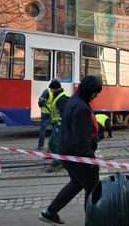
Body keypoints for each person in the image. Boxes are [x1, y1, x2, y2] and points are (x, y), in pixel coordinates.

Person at [39, 76, 102, 225]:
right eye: (95, 92)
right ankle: (92, 221)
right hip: (77, 155)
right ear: (89, 91)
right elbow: (81, 140)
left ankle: (50, 212)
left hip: (65, 152)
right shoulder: (82, 108)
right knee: (92, 186)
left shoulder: (73, 100)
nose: (96, 96)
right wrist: (91, 160)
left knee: (77, 183)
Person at [46, 80, 69, 173]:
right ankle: (61, 159)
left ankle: (59, 161)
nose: (51, 91)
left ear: (55, 89)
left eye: (51, 89)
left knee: (53, 143)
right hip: (57, 124)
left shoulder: (61, 98)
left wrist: (59, 125)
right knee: (55, 143)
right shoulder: (58, 97)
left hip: (60, 125)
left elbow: (64, 114)